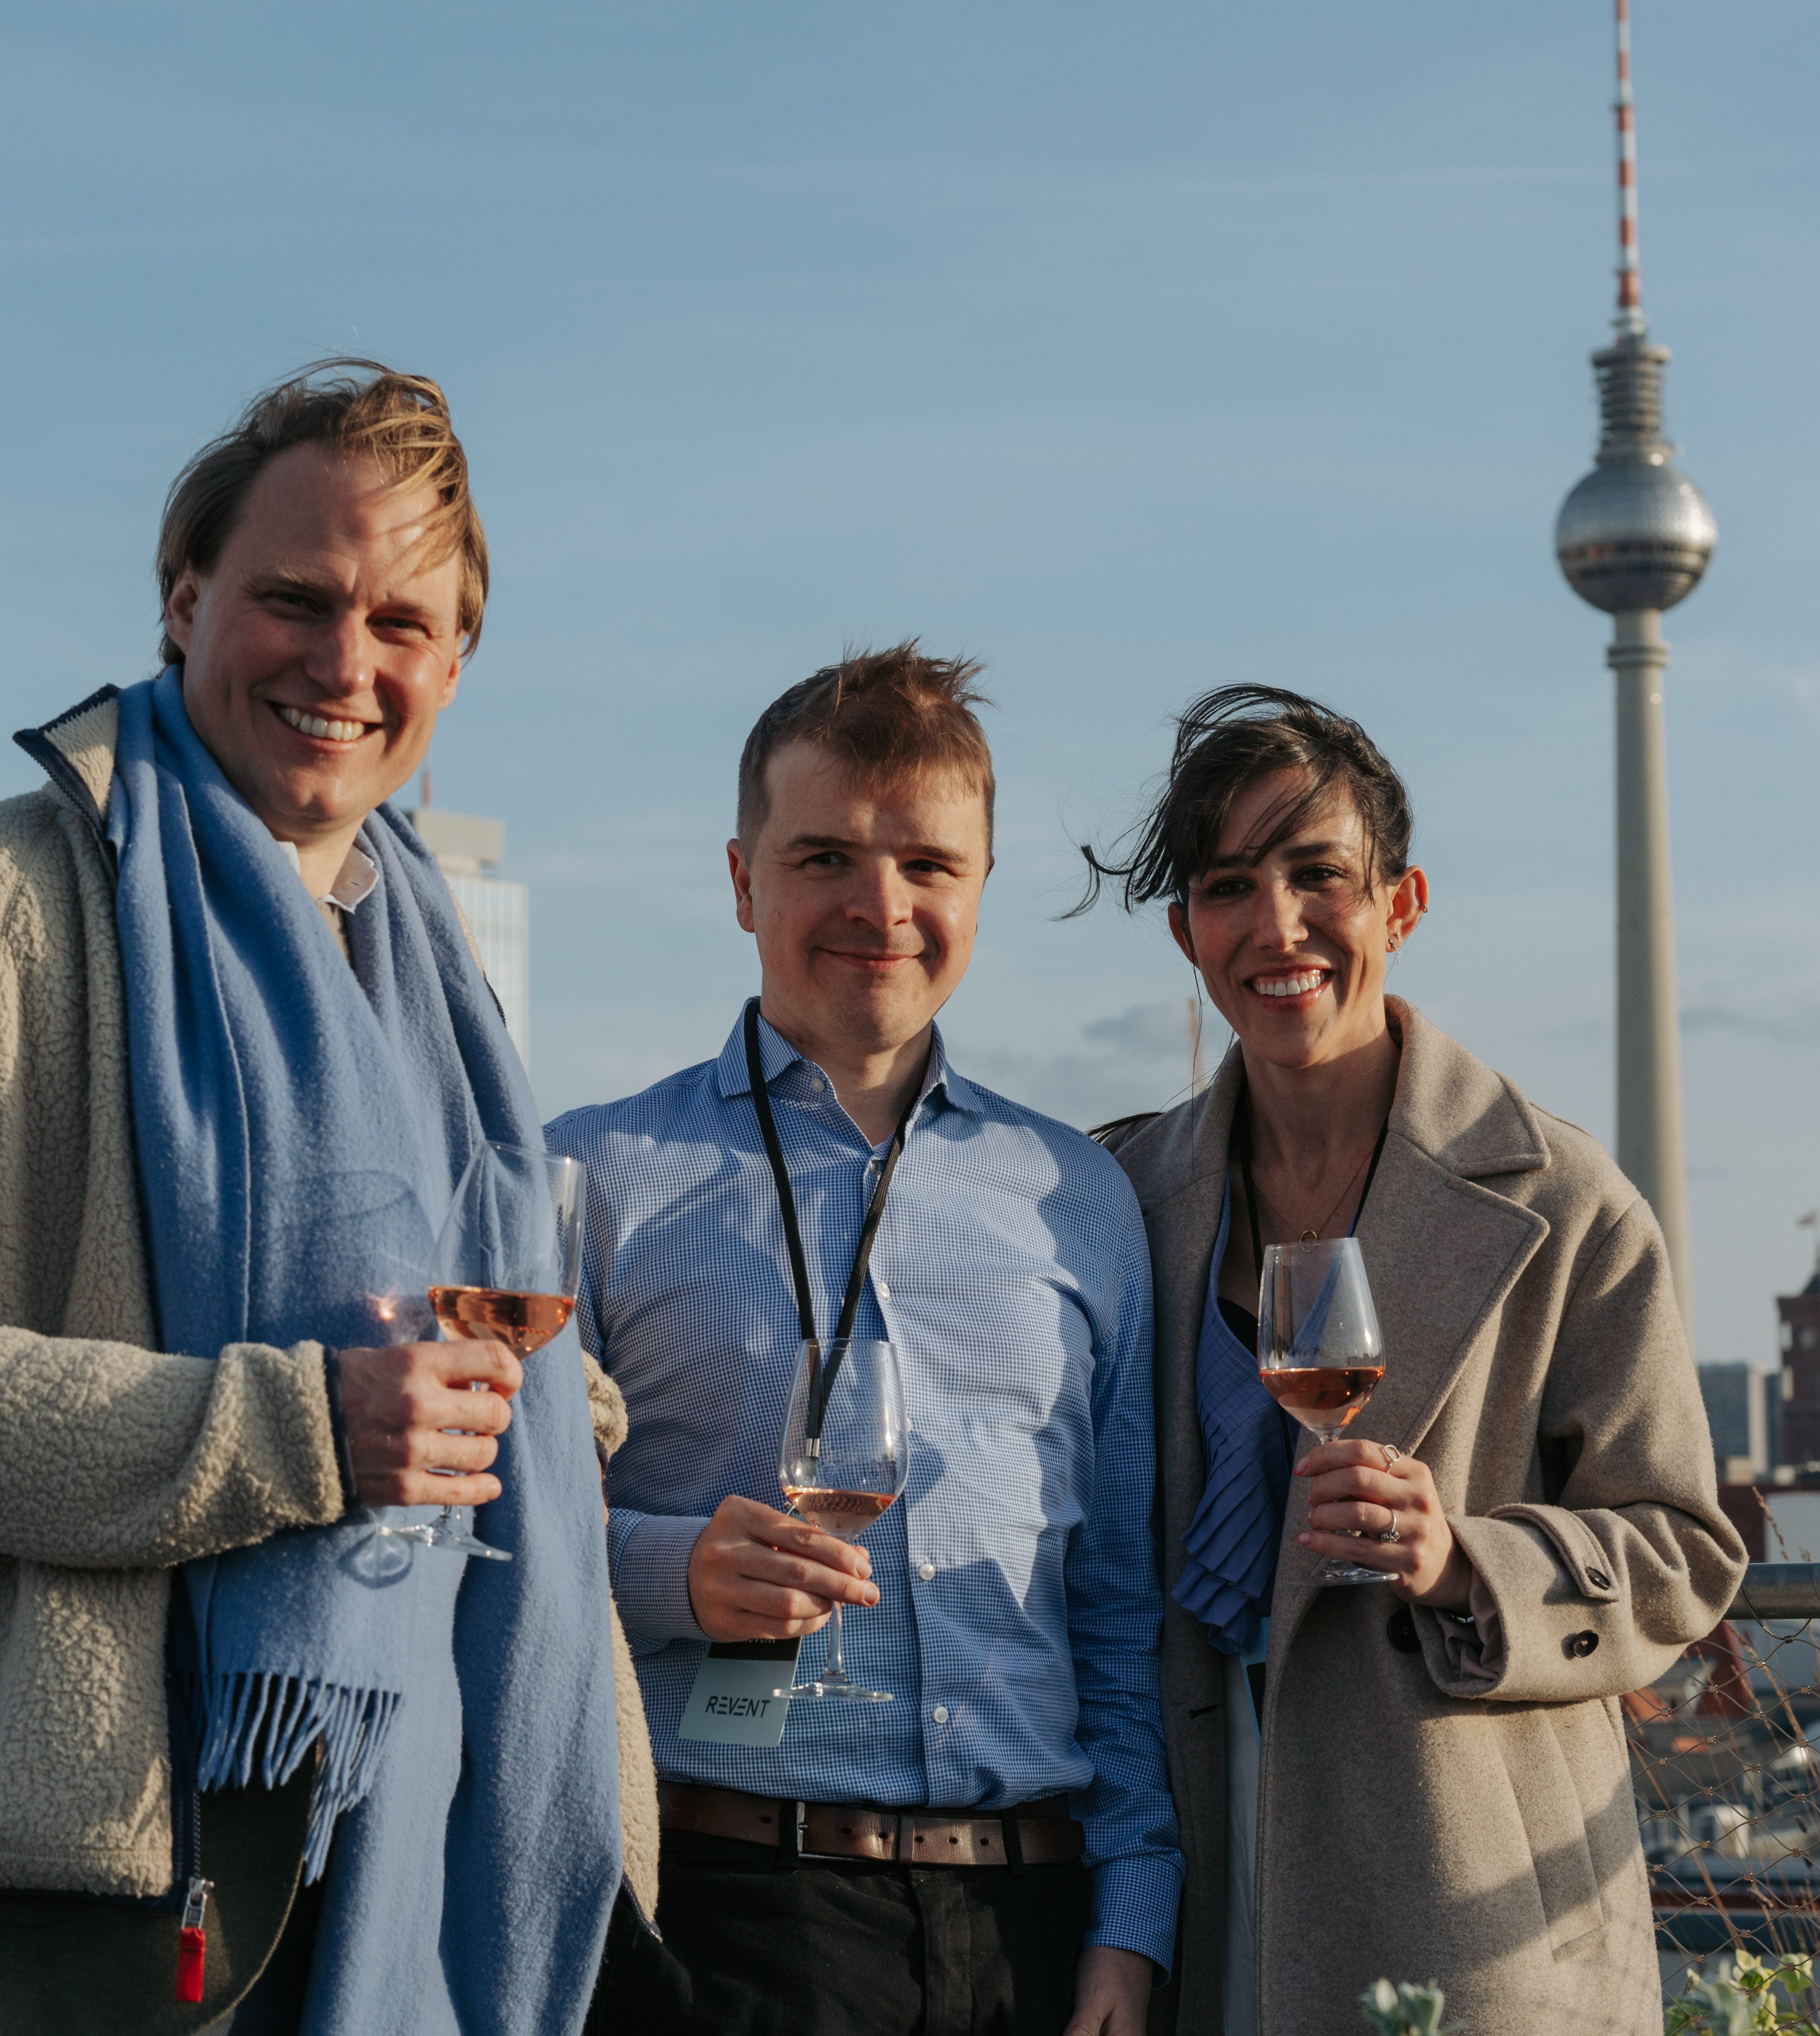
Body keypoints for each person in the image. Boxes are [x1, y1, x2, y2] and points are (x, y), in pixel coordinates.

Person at [0, 360, 644, 2035]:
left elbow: (425, 1376)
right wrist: (299, 1431)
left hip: (416, 1877)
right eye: (296, 600)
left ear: (457, 661)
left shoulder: (443, 999)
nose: (346, 664)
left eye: (403, 624)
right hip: (47, 1910)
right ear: (187, 601)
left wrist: (551, 1408)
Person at [1077, 685, 1747, 2036]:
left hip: (1455, 1885)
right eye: (1229, 887)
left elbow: (1682, 1554)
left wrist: (1463, 1562)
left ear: (1403, 903)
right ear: (1187, 934)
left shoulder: (1562, 1201)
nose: (1277, 926)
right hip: (1191, 1869)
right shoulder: (1120, 1198)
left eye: (1318, 875)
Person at [548, 646, 1178, 2036]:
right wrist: (670, 1570)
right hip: (720, 1922)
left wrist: (1132, 1924)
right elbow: (497, 1537)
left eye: (927, 866)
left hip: (1035, 1931)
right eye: (825, 856)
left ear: (980, 889)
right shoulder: (589, 1181)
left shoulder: (1082, 1198)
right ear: (742, 882)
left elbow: (1117, 1605)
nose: (879, 907)